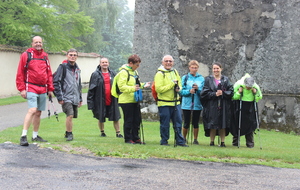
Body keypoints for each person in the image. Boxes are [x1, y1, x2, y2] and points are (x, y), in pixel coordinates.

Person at [16, 36, 54, 146]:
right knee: (32, 110)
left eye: (40, 42)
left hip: (42, 88)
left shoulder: (45, 56)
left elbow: (49, 73)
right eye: (36, 42)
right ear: (32, 43)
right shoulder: (26, 55)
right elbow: (20, 72)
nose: (38, 44)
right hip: (31, 87)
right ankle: (23, 136)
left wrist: (50, 88)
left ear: (42, 44)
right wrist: (22, 88)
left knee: (38, 112)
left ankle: (35, 136)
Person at [114, 54, 150, 144]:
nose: (138, 67)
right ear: (130, 63)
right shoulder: (123, 72)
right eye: (136, 65)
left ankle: (136, 137)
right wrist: (133, 88)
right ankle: (128, 138)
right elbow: (122, 87)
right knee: (129, 120)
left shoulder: (134, 72)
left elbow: (137, 84)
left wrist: (143, 85)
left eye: (138, 64)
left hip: (135, 99)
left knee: (136, 119)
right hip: (126, 100)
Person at [154, 55, 188, 147]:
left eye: (170, 61)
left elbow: (179, 84)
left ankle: (180, 141)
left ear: (173, 62)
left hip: (175, 102)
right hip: (164, 103)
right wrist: (172, 85)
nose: (168, 63)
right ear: (162, 62)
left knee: (178, 123)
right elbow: (159, 89)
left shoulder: (175, 71)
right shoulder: (159, 74)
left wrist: (178, 89)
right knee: (165, 124)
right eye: (166, 61)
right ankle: (164, 140)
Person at [87, 57, 123, 138]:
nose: (104, 64)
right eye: (103, 62)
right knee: (100, 117)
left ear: (108, 63)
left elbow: (118, 86)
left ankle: (118, 133)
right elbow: (91, 89)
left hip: (112, 99)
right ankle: (102, 132)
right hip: (100, 100)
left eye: (106, 62)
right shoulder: (95, 74)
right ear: (100, 64)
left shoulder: (113, 73)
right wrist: (90, 102)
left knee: (116, 116)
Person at [200, 62, 233, 147]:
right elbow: (204, 93)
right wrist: (214, 94)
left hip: (223, 105)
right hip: (212, 105)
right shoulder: (208, 80)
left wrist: (223, 93)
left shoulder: (225, 79)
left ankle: (222, 142)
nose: (216, 70)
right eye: (214, 68)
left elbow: (231, 91)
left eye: (217, 68)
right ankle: (212, 141)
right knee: (212, 123)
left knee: (223, 123)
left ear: (221, 69)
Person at [53, 48, 82, 141]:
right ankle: (69, 134)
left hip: (75, 96)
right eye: (71, 55)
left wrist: (80, 98)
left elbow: (79, 84)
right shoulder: (63, 67)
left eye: (74, 55)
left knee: (72, 115)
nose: (72, 57)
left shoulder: (77, 69)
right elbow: (56, 81)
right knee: (69, 114)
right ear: (67, 56)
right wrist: (59, 96)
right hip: (66, 96)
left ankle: (67, 132)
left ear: (77, 57)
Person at [231, 73, 263, 148]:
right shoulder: (238, 84)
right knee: (238, 123)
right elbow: (233, 97)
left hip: (250, 106)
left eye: (249, 87)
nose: (248, 88)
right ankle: (235, 141)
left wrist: (255, 93)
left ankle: (250, 143)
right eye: (247, 87)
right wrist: (239, 92)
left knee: (250, 124)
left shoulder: (255, 86)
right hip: (239, 104)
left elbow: (259, 97)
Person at [180, 60, 205, 145]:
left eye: (195, 67)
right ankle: (184, 138)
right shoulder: (185, 77)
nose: (194, 69)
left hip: (197, 104)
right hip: (186, 103)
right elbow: (181, 91)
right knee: (186, 121)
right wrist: (188, 92)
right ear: (189, 67)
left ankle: (195, 139)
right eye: (192, 67)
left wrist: (198, 89)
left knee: (196, 122)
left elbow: (203, 92)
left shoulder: (201, 78)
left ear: (198, 68)